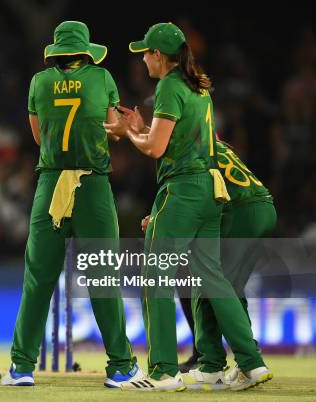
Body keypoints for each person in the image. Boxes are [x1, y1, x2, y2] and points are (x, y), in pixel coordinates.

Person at [105, 23, 272, 391]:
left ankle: (163, 372)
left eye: (146, 53)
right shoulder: (198, 88)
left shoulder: (167, 86)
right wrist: (139, 127)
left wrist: (127, 132)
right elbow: (171, 138)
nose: (143, 59)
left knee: (156, 276)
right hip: (210, 191)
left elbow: (155, 149)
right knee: (213, 280)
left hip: (182, 190)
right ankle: (250, 363)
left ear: (159, 56)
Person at [2, 21, 140, 388]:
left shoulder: (39, 82)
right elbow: (112, 130)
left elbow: (38, 135)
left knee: (38, 279)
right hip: (92, 185)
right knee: (103, 276)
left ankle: (21, 367)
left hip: (51, 184)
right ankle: (121, 366)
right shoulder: (102, 78)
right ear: (86, 52)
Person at [149, 140, 276, 379]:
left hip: (237, 211)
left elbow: (192, 194)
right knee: (230, 288)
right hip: (263, 207)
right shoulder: (217, 145)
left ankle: (218, 364)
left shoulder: (182, 147)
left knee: (207, 281)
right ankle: (241, 361)